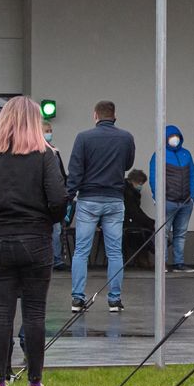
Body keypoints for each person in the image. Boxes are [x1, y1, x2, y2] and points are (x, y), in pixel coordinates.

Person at [0, 96, 67, 386]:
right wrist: (48, 219)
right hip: (36, 240)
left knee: (1, 313)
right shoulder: (44, 156)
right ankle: (35, 385)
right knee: (34, 314)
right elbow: (59, 199)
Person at [66, 100, 134, 313]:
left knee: (81, 251)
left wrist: (68, 196)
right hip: (114, 199)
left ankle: (77, 298)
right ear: (114, 116)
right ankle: (114, 299)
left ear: (95, 115)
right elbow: (128, 165)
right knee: (115, 252)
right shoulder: (126, 138)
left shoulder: (83, 138)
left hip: (88, 199)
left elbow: (75, 169)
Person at [149, 123, 194, 272]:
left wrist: (193, 196)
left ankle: (179, 263)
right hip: (167, 202)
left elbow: (192, 175)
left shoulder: (186, 154)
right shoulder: (159, 154)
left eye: (176, 136)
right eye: (170, 137)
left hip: (186, 202)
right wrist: (158, 197)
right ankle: (161, 263)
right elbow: (154, 178)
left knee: (181, 234)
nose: (174, 139)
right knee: (163, 234)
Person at [43, 118, 70, 270]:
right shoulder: (46, 152)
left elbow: (61, 174)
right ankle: (54, 259)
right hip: (49, 197)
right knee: (54, 230)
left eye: (50, 131)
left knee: (56, 230)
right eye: (47, 131)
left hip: (51, 197)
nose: (50, 133)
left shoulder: (54, 151)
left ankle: (56, 259)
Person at [122, 169, 154, 268]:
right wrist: (150, 222)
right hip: (125, 221)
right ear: (133, 181)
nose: (140, 186)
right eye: (140, 183)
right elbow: (134, 212)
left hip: (127, 220)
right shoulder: (129, 193)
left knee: (145, 229)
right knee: (144, 232)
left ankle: (143, 258)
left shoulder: (129, 190)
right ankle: (144, 258)